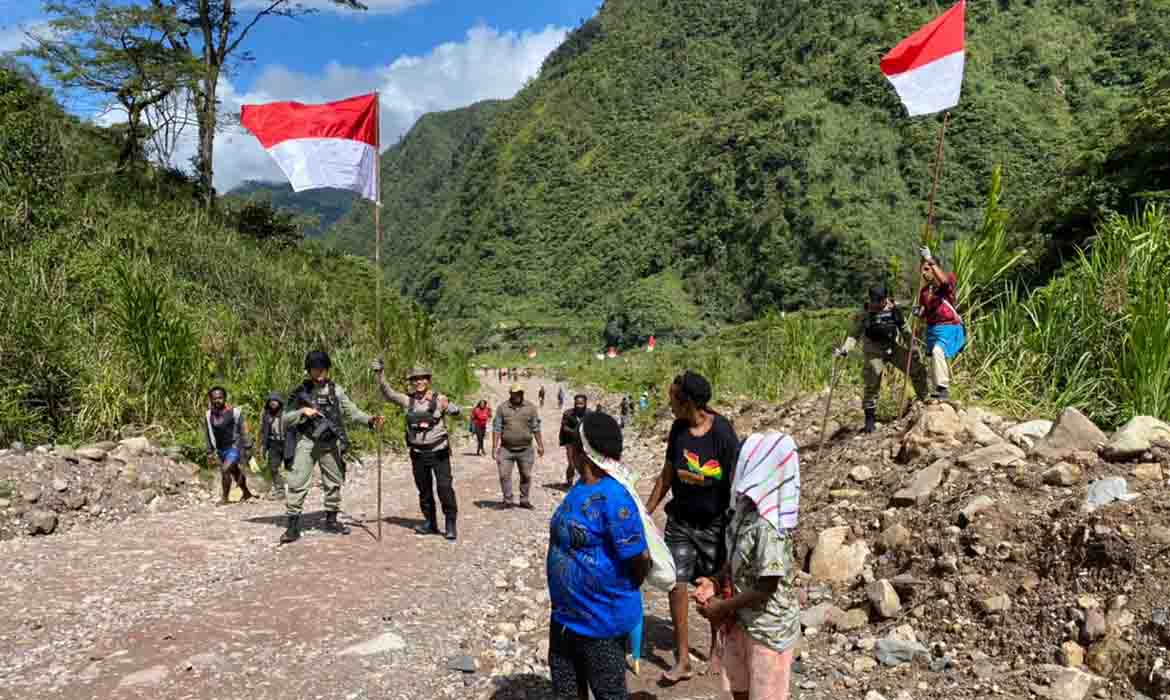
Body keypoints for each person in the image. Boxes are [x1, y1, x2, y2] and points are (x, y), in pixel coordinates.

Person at [547, 411, 651, 700]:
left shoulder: (615, 497)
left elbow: (639, 559)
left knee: (609, 692)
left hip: (600, 622)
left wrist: (614, 591)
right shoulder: (581, 486)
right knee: (566, 690)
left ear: (584, 450)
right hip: (566, 618)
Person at [645, 370, 740, 684]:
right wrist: (646, 512)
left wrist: (735, 526)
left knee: (708, 587)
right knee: (677, 583)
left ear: (687, 402)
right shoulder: (678, 430)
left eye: (673, 398)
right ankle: (683, 658)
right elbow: (667, 474)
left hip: (714, 525)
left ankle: (716, 646)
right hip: (681, 522)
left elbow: (736, 484)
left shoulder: (723, 433)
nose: (669, 403)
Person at [695, 432, 801, 700]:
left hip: (767, 631)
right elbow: (734, 560)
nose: (732, 469)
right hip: (741, 620)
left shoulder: (769, 525)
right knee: (739, 689)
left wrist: (721, 607)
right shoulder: (742, 509)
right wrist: (715, 581)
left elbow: (767, 586)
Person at [280, 351, 383, 544]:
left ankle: (331, 519)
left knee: (334, 481)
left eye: (321, 369)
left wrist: (370, 420)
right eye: (314, 369)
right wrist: (303, 411)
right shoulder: (300, 391)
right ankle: (293, 526)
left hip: (330, 441)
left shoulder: (337, 391)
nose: (318, 373)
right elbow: (285, 418)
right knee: (297, 481)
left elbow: (352, 412)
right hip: (308, 441)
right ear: (309, 370)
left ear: (327, 369)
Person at [373, 362, 462, 541]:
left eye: (422, 378)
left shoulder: (439, 398)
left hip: (439, 452)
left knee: (444, 488)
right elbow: (387, 393)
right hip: (418, 453)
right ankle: (430, 522)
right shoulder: (408, 400)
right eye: (415, 379)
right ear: (412, 382)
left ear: (428, 380)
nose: (419, 382)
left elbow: (456, 411)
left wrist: (448, 406)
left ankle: (450, 523)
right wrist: (380, 373)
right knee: (424, 490)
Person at [835, 285, 930, 433]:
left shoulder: (894, 310)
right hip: (874, 352)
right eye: (874, 301)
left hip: (891, 347)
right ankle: (869, 419)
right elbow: (854, 335)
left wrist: (913, 347)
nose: (877, 304)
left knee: (917, 368)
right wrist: (845, 350)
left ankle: (924, 399)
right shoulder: (865, 313)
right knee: (873, 380)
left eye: (880, 301)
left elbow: (905, 330)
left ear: (885, 298)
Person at [917, 247, 966, 402]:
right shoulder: (925, 291)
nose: (923, 273)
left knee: (938, 352)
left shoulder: (947, 281)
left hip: (949, 326)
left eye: (927, 269)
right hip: (933, 329)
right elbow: (927, 310)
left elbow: (944, 281)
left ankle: (943, 388)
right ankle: (936, 390)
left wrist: (929, 259)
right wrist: (919, 313)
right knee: (933, 357)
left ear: (934, 267)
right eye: (922, 269)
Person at [492, 383, 545, 509]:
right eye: (515, 393)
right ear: (510, 394)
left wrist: (540, 445)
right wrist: (494, 447)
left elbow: (536, 427)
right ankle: (507, 500)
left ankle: (524, 500)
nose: (518, 395)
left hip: (526, 449)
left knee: (526, 475)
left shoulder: (531, 408)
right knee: (504, 475)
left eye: (520, 393)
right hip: (506, 449)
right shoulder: (502, 408)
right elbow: (497, 428)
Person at [204, 387, 255, 505]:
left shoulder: (234, 412)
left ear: (225, 398)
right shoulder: (208, 415)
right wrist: (209, 451)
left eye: (220, 398)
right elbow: (207, 433)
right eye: (214, 398)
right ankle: (246, 493)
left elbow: (244, 429)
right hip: (221, 449)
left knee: (225, 469)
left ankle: (225, 498)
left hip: (235, 446)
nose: (217, 400)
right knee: (235, 472)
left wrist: (248, 446)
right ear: (210, 399)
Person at [258, 391, 291, 500]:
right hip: (273, 444)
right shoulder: (266, 415)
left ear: (279, 402)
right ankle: (280, 491)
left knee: (292, 468)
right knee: (273, 468)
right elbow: (263, 431)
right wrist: (263, 446)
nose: (273, 403)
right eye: (271, 401)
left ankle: (297, 490)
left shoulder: (287, 412)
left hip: (287, 443)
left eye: (275, 401)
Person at [559, 394, 590, 487]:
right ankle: (569, 482)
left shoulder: (589, 414)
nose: (579, 406)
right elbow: (564, 427)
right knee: (572, 463)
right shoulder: (568, 413)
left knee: (584, 463)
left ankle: (584, 482)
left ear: (585, 403)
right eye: (577, 403)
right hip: (570, 442)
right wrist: (575, 432)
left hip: (584, 443)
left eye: (581, 403)